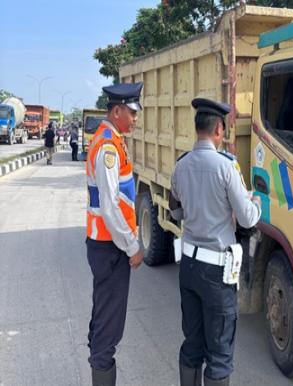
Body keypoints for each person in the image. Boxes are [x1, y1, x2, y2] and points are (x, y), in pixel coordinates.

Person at [170, 98, 262, 386]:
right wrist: (256, 202)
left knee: (192, 344)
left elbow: (176, 211)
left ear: (198, 128)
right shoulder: (226, 167)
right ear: (219, 129)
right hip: (216, 273)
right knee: (220, 353)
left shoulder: (181, 165)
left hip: (188, 266)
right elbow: (247, 219)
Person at [85, 82, 145, 386]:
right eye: (132, 112)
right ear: (118, 110)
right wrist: (132, 245)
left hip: (104, 247)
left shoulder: (111, 139)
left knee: (103, 321)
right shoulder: (108, 146)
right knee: (108, 330)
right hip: (109, 248)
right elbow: (110, 207)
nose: (136, 118)